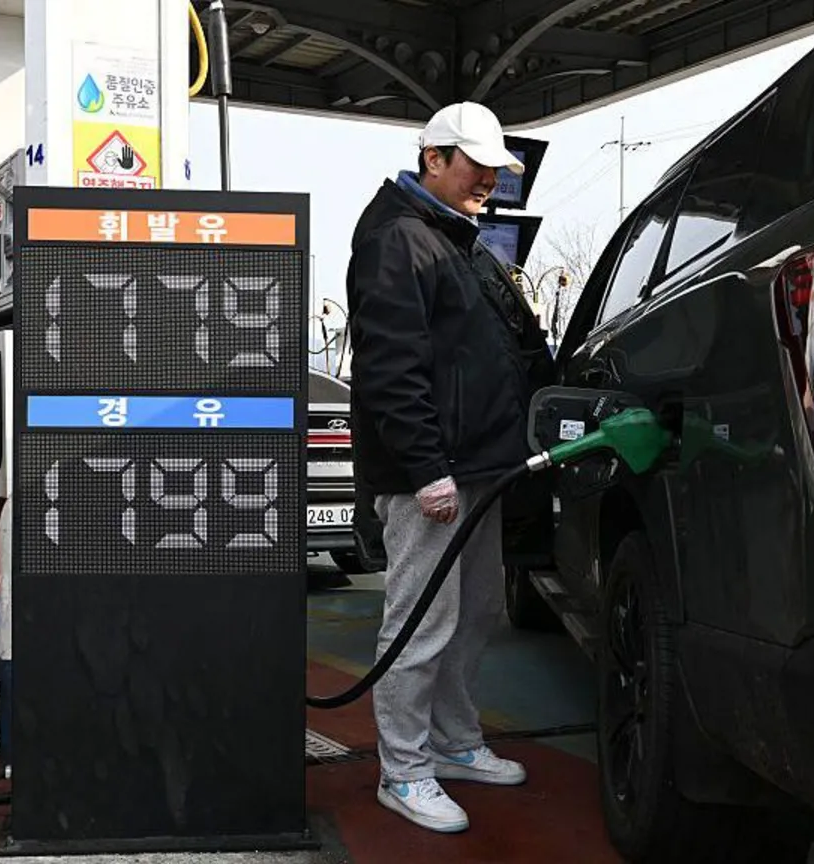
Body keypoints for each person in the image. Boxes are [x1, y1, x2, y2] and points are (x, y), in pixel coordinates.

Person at [345, 101, 554, 833]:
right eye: (476, 165)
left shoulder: (450, 238)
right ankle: (403, 772)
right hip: (429, 476)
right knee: (421, 624)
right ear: (434, 157)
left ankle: (455, 743)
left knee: (476, 614)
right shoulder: (397, 239)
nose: (488, 180)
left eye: (497, 169)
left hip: (479, 467)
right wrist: (426, 466)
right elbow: (390, 370)